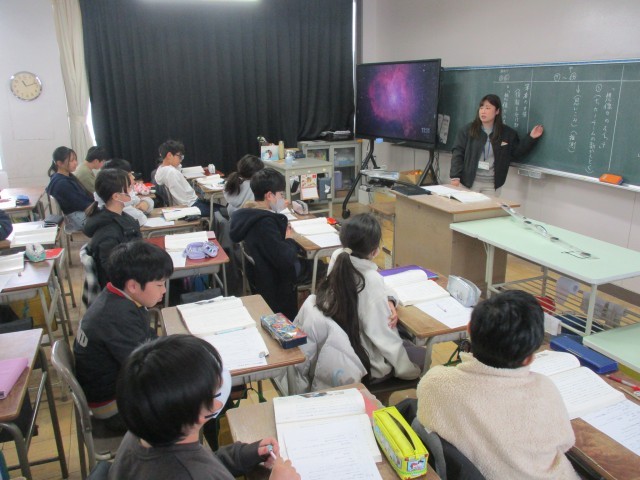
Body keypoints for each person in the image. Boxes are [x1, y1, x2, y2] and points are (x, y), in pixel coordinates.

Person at [416, 290, 578, 479]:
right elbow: (566, 442)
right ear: (529, 358)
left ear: (469, 330)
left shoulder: (435, 384)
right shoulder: (546, 390)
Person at [109, 334, 300, 480]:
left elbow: (203, 461)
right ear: (198, 414)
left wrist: (245, 454)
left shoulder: (141, 434)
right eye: (214, 391)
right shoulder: (196, 474)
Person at [298, 213, 423, 384]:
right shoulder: (370, 280)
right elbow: (385, 337)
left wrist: (388, 299)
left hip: (340, 350)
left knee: (405, 343)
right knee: (421, 354)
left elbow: (377, 287)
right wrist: (407, 371)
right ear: (375, 251)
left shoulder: (338, 258)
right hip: (363, 363)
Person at [74, 241, 173, 434]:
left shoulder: (117, 297)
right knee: (192, 397)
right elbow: (145, 369)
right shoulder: (116, 316)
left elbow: (146, 339)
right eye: (160, 284)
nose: (164, 290)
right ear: (133, 286)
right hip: (112, 407)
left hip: (118, 386)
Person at [229, 168, 304, 320]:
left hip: (260, 273)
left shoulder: (249, 214)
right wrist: (289, 239)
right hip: (275, 279)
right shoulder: (265, 223)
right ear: (269, 195)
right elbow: (284, 258)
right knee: (318, 266)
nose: (283, 198)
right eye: (281, 194)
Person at [450, 94, 544, 195]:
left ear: (497, 111)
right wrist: (455, 176)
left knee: (488, 206)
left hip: (491, 185)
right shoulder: (467, 131)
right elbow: (458, 153)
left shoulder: (507, 134)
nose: (483, 111)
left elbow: (516, 153)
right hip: (468, 183)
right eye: (481, 108)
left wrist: (531, 138)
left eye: (487, 108)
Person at [83, 169, 142, 288]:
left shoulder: (119, 217)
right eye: (129, 188)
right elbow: (113, 271)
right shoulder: (108, 233)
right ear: (116, 196)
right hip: (125, 287)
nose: (132, 191)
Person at [154, 139, 210, 216]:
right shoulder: (172, 173)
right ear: (169, 155)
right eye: (179, 156)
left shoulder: (161, 169)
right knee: (221, 210)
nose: (181, 160)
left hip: (189, 204)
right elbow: (184, 202)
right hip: (192, 207)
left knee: (216, 207)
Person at [46, 146, 93, 232]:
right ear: (59, 163)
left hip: (78, 215)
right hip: (78, 219)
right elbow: (82, 204)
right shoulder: (62, 183)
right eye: (71, 161)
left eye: (75, 159)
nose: (76, 163)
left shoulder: (61, 177)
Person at [102, 158, 154, 226]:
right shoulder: (116, 200)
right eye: (129, 175)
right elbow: (140, 219)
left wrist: (146, 203)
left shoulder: (126, 192)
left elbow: (147, 201)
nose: (133, 177)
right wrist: (139, 210)